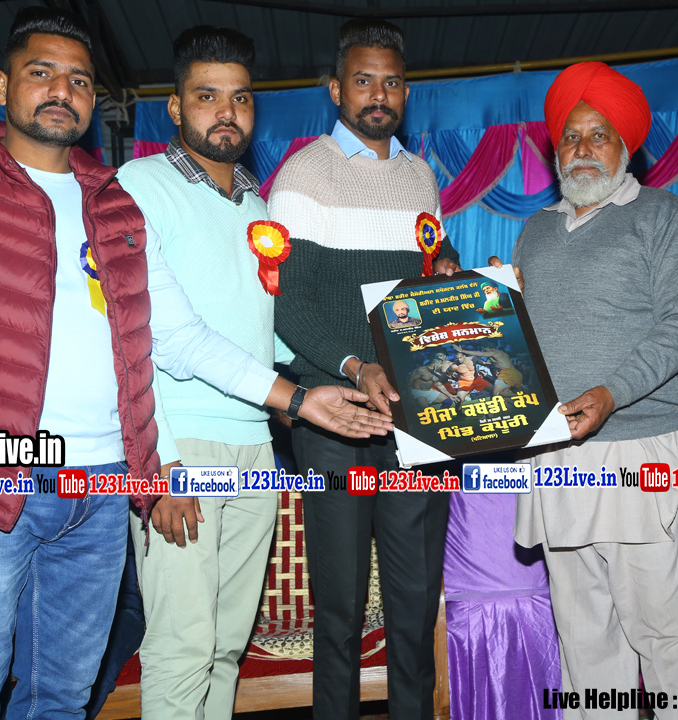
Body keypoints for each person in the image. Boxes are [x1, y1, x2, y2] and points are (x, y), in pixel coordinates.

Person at [0, 9, 390, 718]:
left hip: (101, 482)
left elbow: (178, 336)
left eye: (78, 80)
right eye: (41, 73)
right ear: (1, 86)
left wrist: (301, 398)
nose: (61, 90)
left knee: (63, 698)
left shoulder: (111, 202)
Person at [506, 61, 678, 719]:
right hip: (557, 457)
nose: (582, 148)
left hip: (643, 452)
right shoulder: (535, 230)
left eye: (599, 134)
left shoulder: (662, 214)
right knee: (586, 648)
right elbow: (519, 346)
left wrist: (612, 392)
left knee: (673, 643)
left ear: (626, 146)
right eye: (570, 136)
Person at [268, 17, 462, 720]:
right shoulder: (303, 173)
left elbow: (426, 281)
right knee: (341, 611)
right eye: (363, 81)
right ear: (335, 89)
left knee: (413, 607)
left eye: (392, 82)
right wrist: (354, 365)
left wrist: (450, 272)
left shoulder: (420, 176)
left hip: (416, 421)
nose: (379, 94)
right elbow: (287, 302)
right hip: (337, 420)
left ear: (406, 91)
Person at [114, 26, 299, 718]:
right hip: (182, 446)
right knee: (182, 645)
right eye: (206, 96)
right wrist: (159, 465)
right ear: (174, 106)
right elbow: (161, 339)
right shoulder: (139, 186)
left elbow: (265, 335)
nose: (227, 112)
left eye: (240, 98)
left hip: (257, 450)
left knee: (225, 647)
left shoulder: (259, 207)